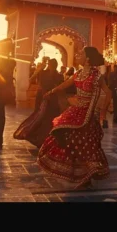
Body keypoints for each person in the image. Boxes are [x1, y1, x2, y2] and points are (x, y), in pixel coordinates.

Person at [36, 46, 111, 189]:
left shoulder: (96, 76)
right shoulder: (79, 74)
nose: (77, 55)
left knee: (85, 144)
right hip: (75, 111)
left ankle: (86, 175)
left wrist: (103, 113)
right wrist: (51, 91)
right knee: (63, 136)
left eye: (81, 54)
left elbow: (108, 93)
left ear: (87, 59)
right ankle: (79, 174)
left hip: (87, 115)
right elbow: (65, 84)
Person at [14, 58, 68, 148]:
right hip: (47, 97)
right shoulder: (48, 74)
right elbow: (32, 79)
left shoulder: (53, 75)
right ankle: (43, 139)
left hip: (48, 97)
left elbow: (59, 87)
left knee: (46, 118)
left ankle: (45, 139)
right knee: (43, 117)